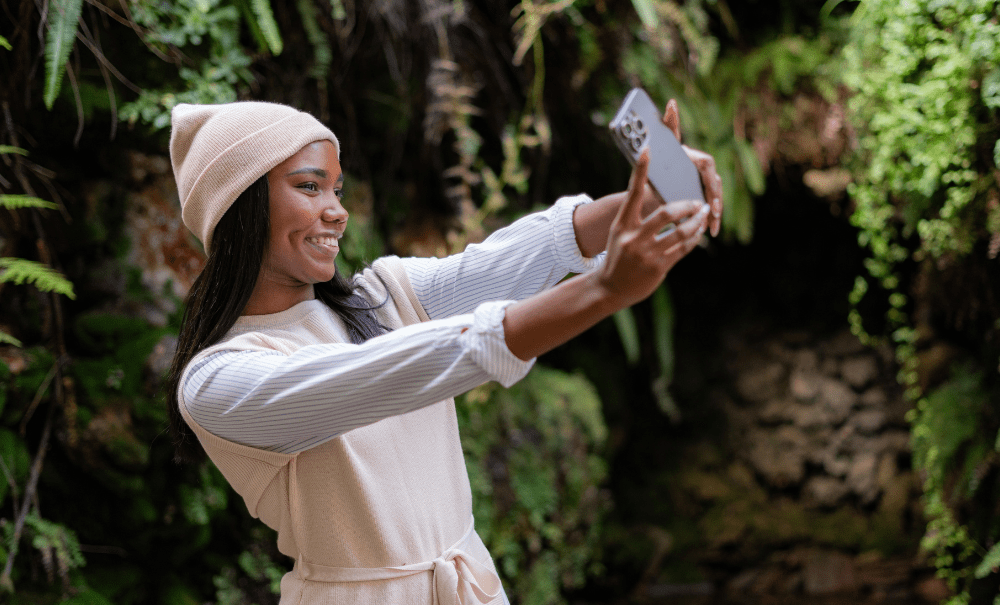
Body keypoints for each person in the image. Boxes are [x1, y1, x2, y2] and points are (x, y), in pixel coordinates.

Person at [165, 100, 722, 605]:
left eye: (337, 188)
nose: (337, 210)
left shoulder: (381, 299)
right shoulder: (218, 382)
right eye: (310, 187)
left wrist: (640, 201)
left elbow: (513, 258)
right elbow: (381, 376)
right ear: (238, 206)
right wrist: (602, 291)